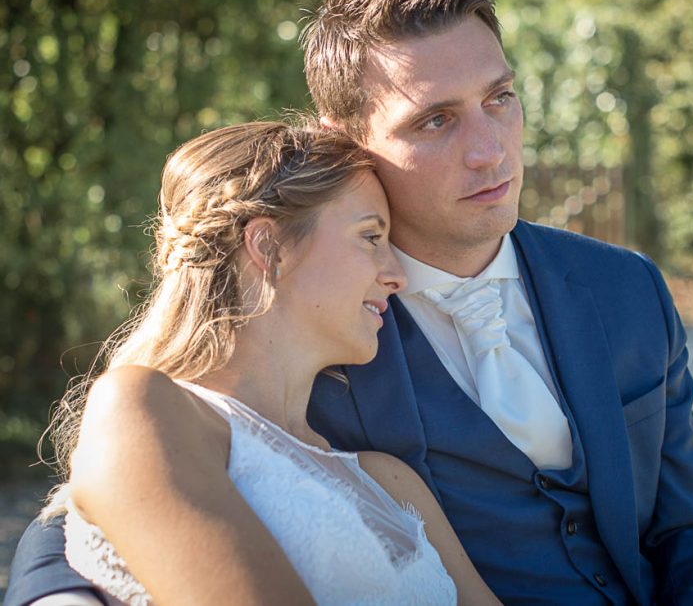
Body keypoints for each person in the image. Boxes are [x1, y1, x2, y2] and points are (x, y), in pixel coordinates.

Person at [8, 0, 693, 605]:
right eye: (436, 121)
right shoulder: (310, 318)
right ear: (345, 136)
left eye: (500, 97)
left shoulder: (625, 289)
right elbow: (101, 496)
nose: (491, 150)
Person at [7, 121, 500, 605]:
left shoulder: (390, 480)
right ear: (269, 247)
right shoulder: (145, 409)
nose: (398, 276)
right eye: (371, 237)